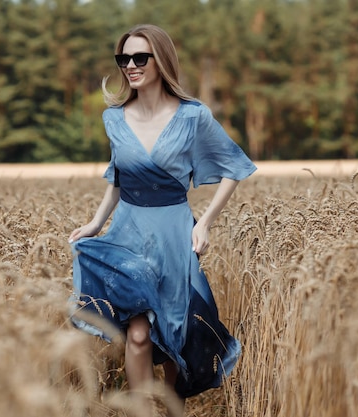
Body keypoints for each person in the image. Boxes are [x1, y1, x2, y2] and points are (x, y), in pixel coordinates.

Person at [68, 24, 256, 415]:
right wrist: (96, 223)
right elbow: (117, 176)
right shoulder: (114, 119)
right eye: (124, 59)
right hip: (128, 231)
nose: (131, 66)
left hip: (173, 232)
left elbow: (234, 167)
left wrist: (204, 223)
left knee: (173, 336)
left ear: (161, 60)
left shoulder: (193, 116)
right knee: (137, 335)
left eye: (140, 58)